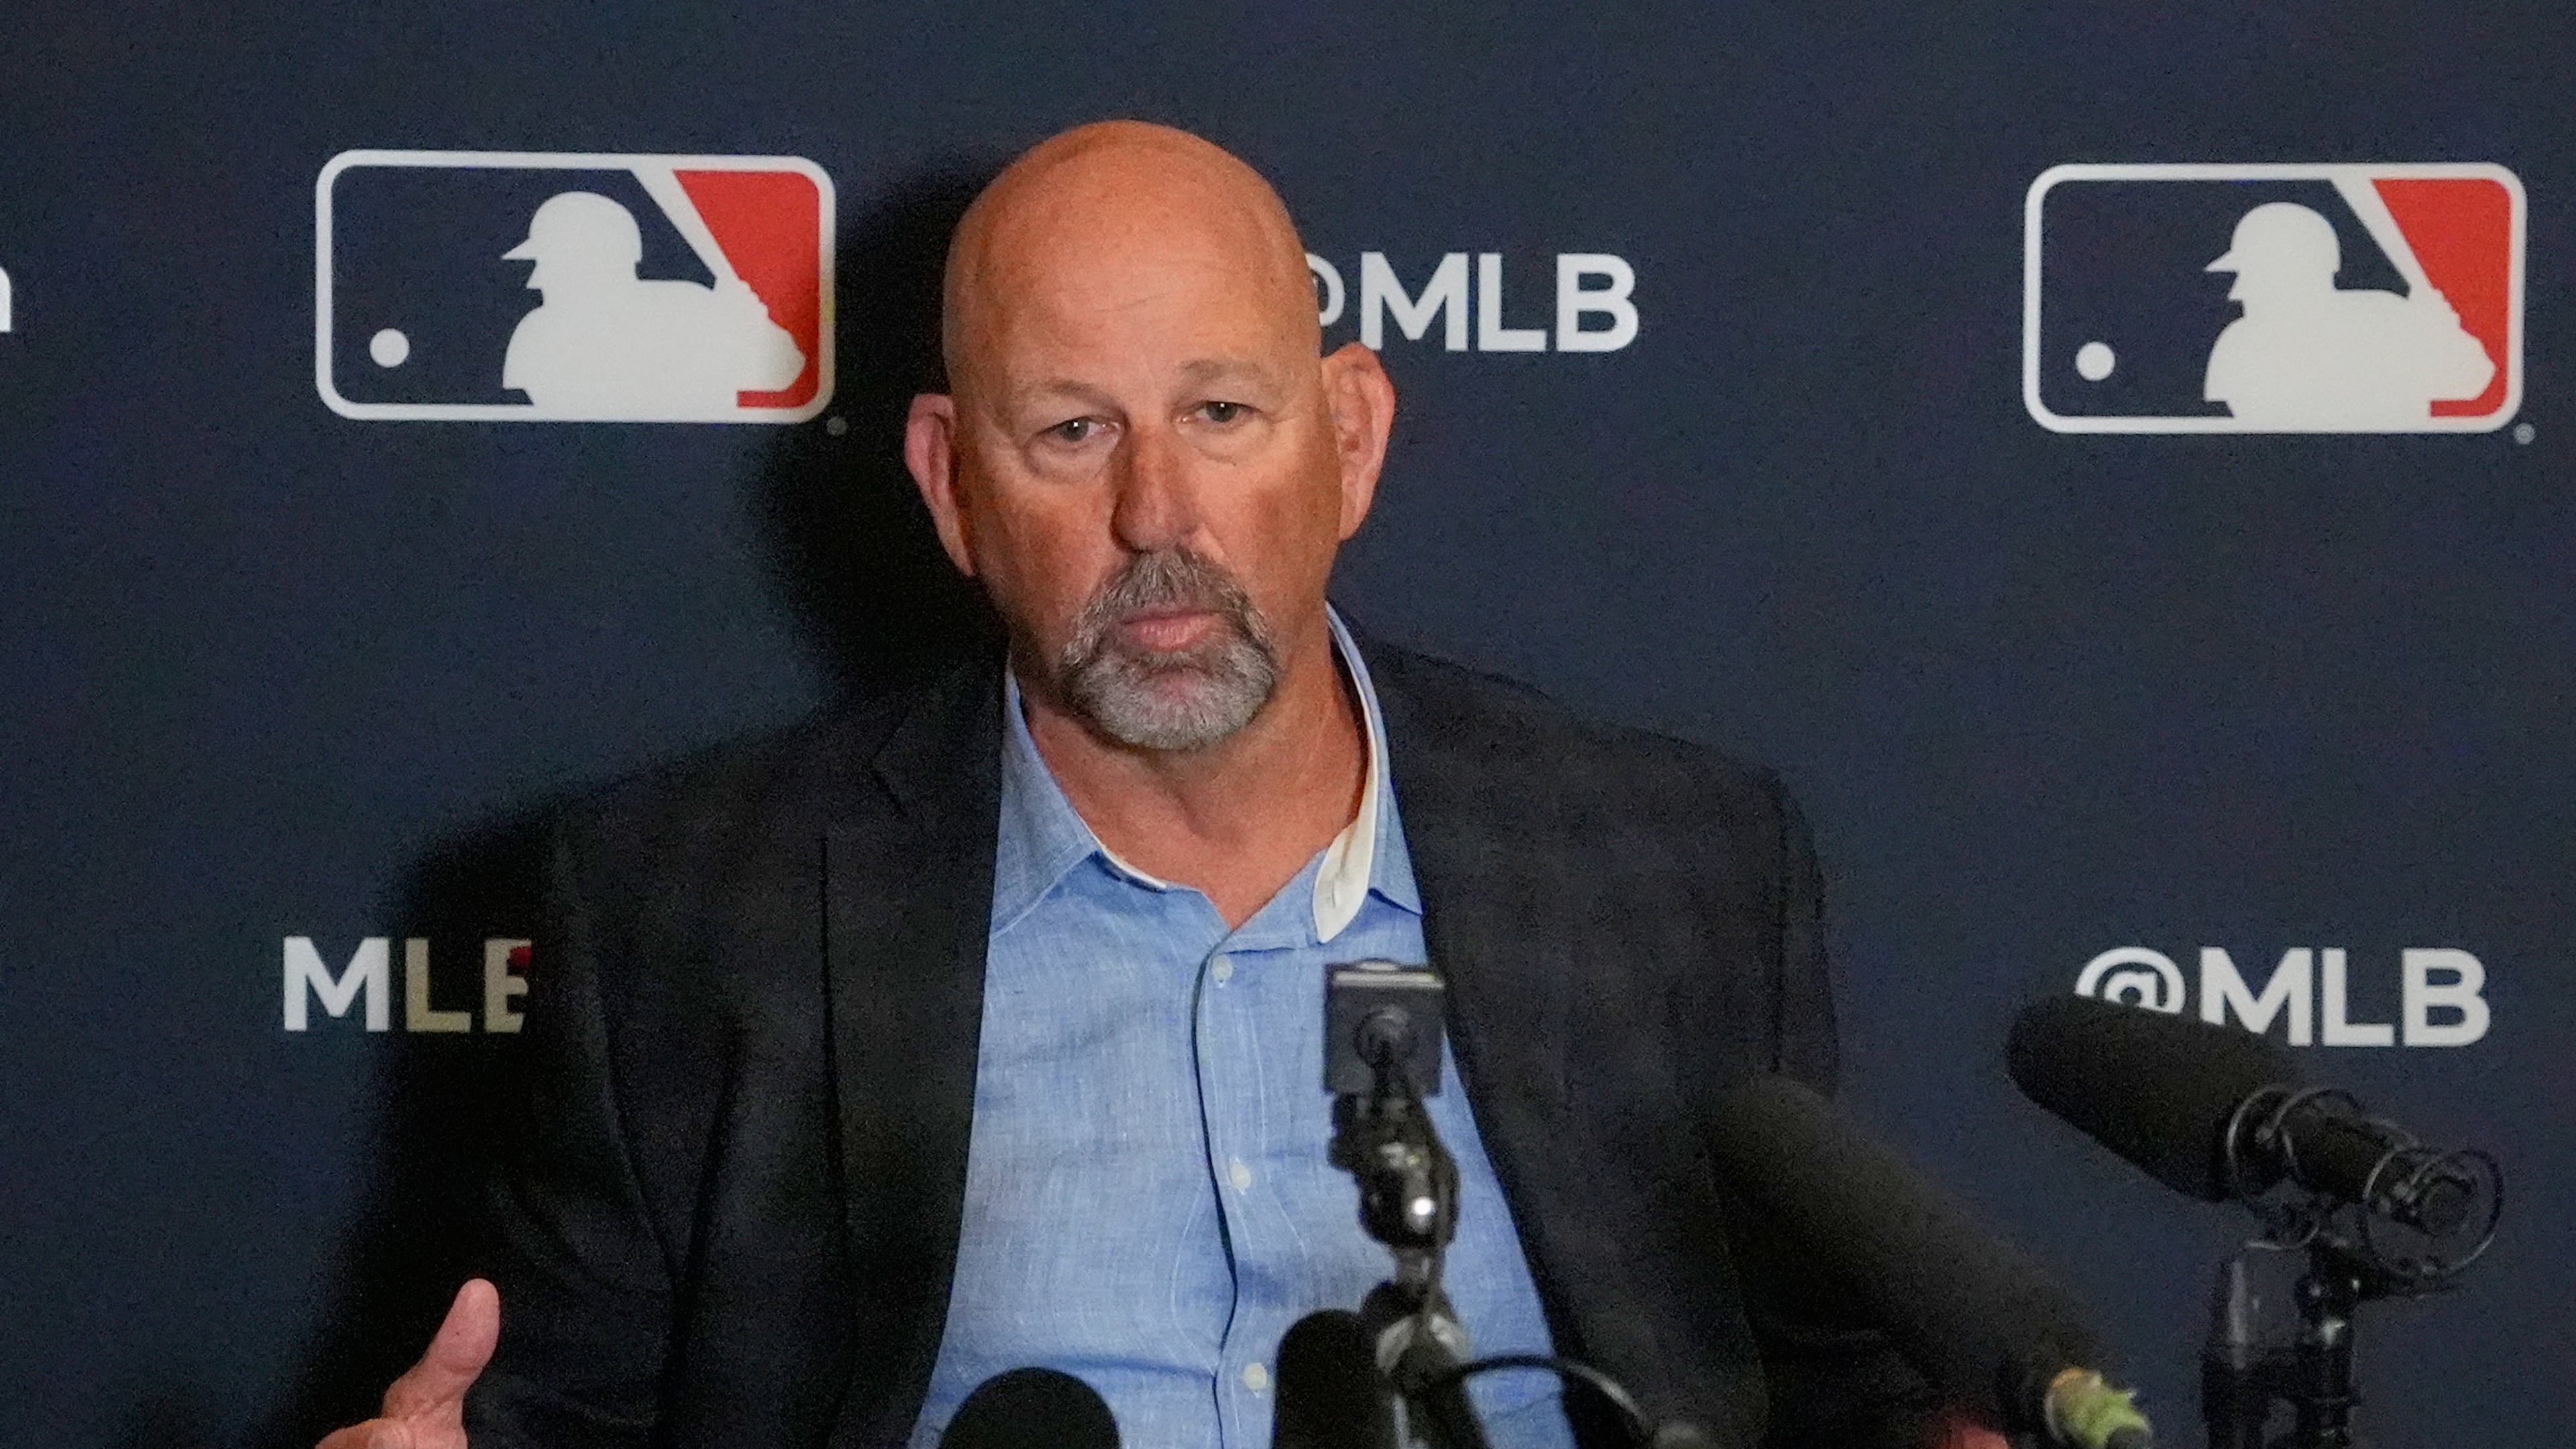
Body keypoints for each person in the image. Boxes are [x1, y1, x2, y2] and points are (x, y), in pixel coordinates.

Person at [321, 121, 1987, 1449]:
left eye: (1219, 411)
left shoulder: (1674, 866)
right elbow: (548, 1411)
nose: (1155, 514)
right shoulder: (688, 905)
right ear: (950, 487)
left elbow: (1841, 1390)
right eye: (1068, 432)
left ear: (1348, 438)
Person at [500, 190, 804, 416]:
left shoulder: (690, 307)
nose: (536, 280)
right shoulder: (540, 334)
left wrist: (749, 329)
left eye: (553, 263)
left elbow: (785, 374)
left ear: (603, 260)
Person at [2201, 201, 2493, 429]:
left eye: (2254, 275)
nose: (2237, 292)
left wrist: (2441, 336)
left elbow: (2472, 381)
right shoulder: (2242, 343)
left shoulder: (2387, 316)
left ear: (2298, 273)